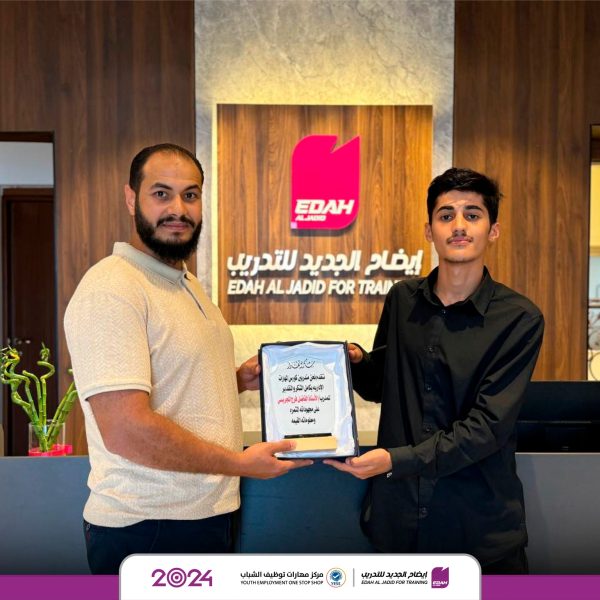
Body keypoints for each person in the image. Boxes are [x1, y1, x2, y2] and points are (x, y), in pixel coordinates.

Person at [64, 143, 311, 574]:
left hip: (204, 517)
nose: (178, 209)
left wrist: (236, 380)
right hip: (149, 528)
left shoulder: (185, 283)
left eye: (190, 195)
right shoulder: (112, 288)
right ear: (131, 198)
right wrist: (239, 464)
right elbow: (126, 430)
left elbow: (171, 383)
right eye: (161, 193)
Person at [324, 168, 544, 574]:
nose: (458, 225)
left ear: (493, 231)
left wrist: (396, 460)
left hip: (477, 530)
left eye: (472, 215)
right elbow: (380, 385)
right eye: (446, 215)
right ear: (429, 231)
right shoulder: (402, 300)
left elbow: (487, 428)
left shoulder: (519, 318)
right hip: (399, 526)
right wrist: (355, 362)